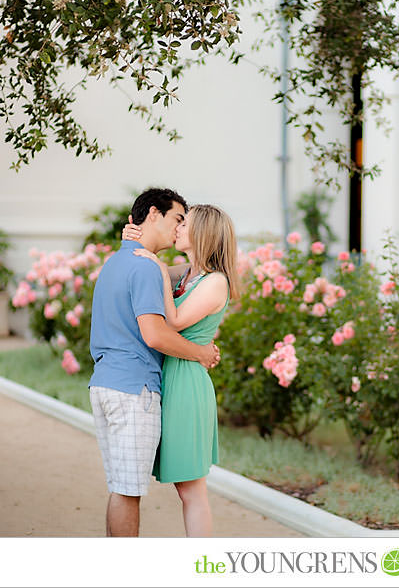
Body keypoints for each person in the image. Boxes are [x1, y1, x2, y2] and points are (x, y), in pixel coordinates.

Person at [88, 188, 220, 537]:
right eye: (177, 219)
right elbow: (157, 335)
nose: (178, 229)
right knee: (128, 490)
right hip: (133, 389)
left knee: (122, 485)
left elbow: (179, 274)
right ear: (154, 215)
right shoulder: (146, 269)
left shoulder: (119, 261)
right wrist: (203, 353)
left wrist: (140, 247)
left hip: (104, 383)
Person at [122, 204, 240, 537]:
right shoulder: (189, 274)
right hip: (172, 377)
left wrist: (157, 267)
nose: (177, 228)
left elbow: (173, 320)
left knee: (192, 489)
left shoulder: (215, 282)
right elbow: (148, 264)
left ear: (202, 233)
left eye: (184, 223)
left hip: (187, 384)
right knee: (184, 488)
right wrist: (133, 239)